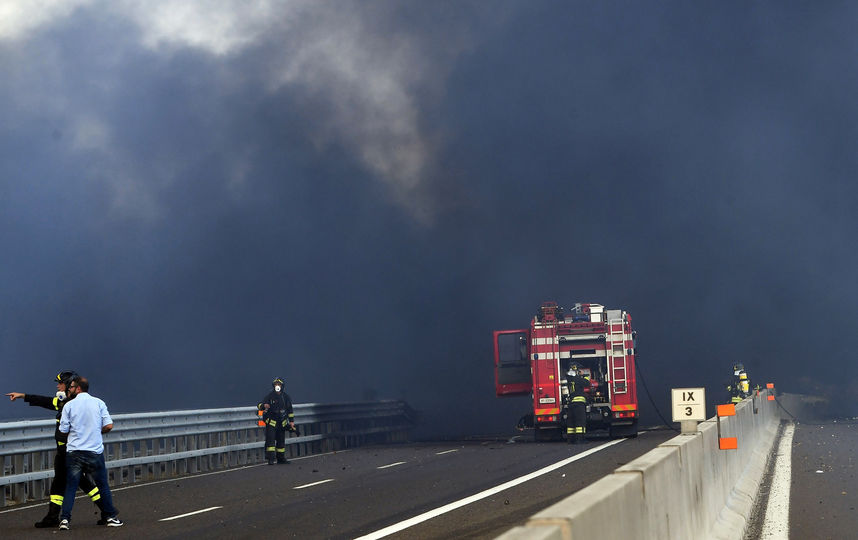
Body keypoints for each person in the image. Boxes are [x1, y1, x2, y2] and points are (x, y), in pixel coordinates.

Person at [5, 371, 109, 528]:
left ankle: (106, 511)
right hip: (64, 452)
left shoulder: (73, 404)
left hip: (71, 452)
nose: (57, 385)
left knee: (81, 482)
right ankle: (54, 516)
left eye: (60, 383)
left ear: (70, 385)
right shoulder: (64, 402)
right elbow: (45, 401)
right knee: (61, 482)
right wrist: (23, 396)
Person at [57, 376, 123, 529]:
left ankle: (65, 520)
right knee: (102, 485)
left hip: (74, 452)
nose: (70, 389)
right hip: (94, 451)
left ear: (78, 388)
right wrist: (96, 432)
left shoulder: (69, 406)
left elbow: (63, 430)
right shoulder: (99, 403)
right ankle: (111, 518)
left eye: (72, 387)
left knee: (71, 487)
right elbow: (109, 426)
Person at [257, 377, 295, 465]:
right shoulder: (270, 396)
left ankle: (281, 459)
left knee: (281, 441)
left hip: (282, 423)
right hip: (271, 423)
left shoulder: (285, 397)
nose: (277, 386)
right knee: (270, 441)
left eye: (279, 385)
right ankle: (270, 459)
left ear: (282, 386)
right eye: (276, 385)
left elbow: (290, 410)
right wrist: (264, 406)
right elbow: (259, 405)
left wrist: (291, 421)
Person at [563, 364, 588, 444]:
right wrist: (584, 375)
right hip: (579, 404)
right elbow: (587, 383)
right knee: (580, 422)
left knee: (571, 422)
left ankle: (570, 440)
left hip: (571, 403)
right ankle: (580, 439)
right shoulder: (578, 379)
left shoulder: (569, 379)